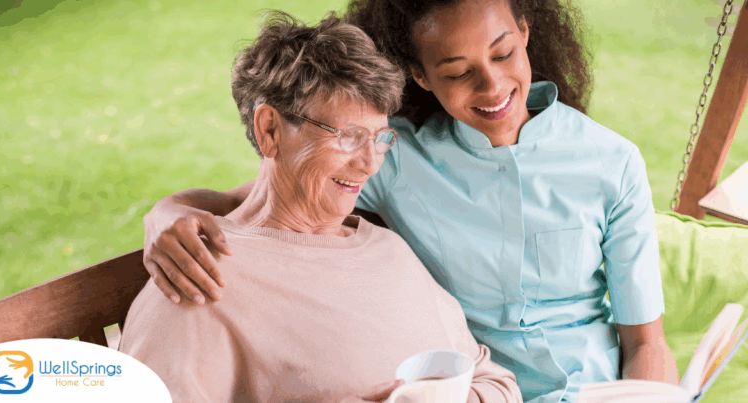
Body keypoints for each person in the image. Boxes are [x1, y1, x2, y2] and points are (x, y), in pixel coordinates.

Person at [139, 0, 681, 402]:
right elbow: (262, 199)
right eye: (457, 72)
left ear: (525, 32)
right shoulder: (399, 160)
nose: (492, 87)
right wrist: (166, 214)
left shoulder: (611, 162)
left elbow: (645, 342)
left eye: (504, 53)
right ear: (422, 76)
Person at [119, 11, 522, 403]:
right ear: (270, 130)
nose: (369, 163)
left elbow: (495, 381)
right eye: (348, 136)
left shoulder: (388, 251)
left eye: (380, 138)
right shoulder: (198, 278)